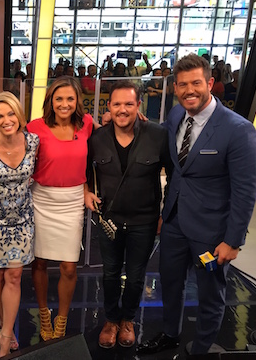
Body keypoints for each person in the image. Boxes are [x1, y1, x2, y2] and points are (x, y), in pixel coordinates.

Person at [137, 53, 256, 355]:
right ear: (175, 88)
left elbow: (245, 191)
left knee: (210, 293)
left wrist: (233, 240)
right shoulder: (177, 117)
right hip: (174, 222)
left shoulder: (238, 130)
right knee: (170, 282)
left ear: (210, 83)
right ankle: (170, 333)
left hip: (211, 231)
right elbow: (163, 144)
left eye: (195, 83)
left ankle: (201, 349)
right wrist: (131, 120)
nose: (189, 90)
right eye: (182, 85)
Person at [84, 80, 170, 349]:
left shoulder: (158, 135)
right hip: (108, 219)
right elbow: (86, 171)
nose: (122, 110)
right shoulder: (96, 138)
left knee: (135, 275)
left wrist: (164, 214)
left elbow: (174, 176)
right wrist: (87, 190)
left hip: (144, 221)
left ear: (138, 106)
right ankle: (111, 319)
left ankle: (128, 319)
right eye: (117, 104)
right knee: (109, 273)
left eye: (129, 104)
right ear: (108, 106)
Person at [26, 76, 98, 341]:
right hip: (41, 200)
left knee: (69, 266)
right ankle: (43, 312)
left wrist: (140, 122)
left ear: (77, 100)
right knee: (40, 261)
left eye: (70, 98)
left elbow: (109, 139)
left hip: (72, 202)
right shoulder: (35, 127)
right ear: (50, 101)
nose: (65, 104)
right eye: (59, 98)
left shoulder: (87, 124)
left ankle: (62, 318)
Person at [0, 92, 39, 356]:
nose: (6, 120)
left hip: (23, 219)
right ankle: (3, 321)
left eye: (10, 113)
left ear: (19, 114)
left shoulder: (33, 141)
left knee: (14, 275)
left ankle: (5, 335)